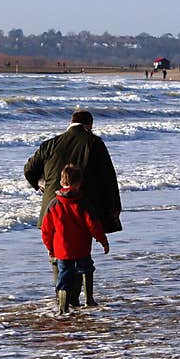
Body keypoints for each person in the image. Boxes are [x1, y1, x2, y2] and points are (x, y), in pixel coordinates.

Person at [24, 109, 121, 306]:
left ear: (70, 122)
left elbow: (29, 170)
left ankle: (62, 297)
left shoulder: (50, 144)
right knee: (80, 253)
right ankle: (75, 299)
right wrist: (114, 207)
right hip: (81, 208)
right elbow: (108, 178)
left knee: (57, 253)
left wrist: (41, 186)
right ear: (89, 125)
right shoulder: (94, 143)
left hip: (52, 208)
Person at [40, 164, 109, 315]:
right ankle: (89, 299)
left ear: (61, 183)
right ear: (79, 183)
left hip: (62, 250)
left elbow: (46, 231)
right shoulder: (83, 203)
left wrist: (50, 248)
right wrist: (103, 241)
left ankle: (63, 307)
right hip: (82, 249)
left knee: (64, 276)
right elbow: (94, 225)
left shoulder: (54, 204)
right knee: (87, 269)